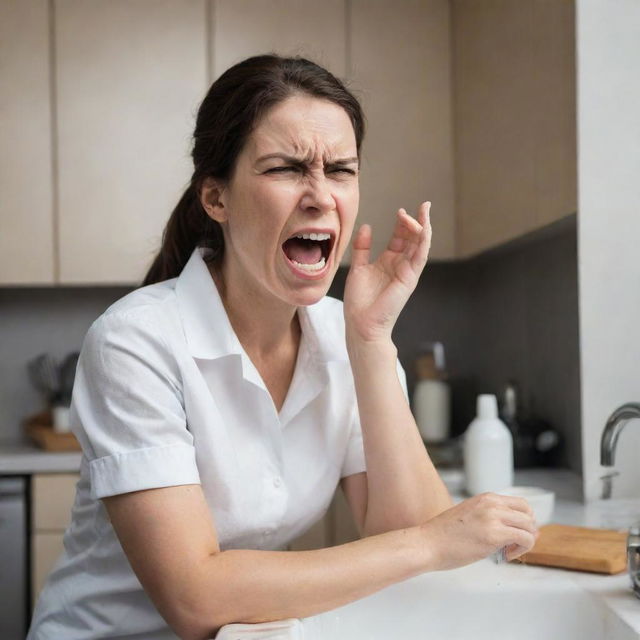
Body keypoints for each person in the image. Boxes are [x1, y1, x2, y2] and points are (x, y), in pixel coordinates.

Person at [27, 55, 537, 640]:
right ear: (215, 198)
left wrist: (372, 343)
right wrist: (429, 542)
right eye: (287, 168)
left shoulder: (349, 336)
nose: (321, 196)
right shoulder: (136, 341)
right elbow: (195, 597)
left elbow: (408, 533)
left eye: (341, 170)